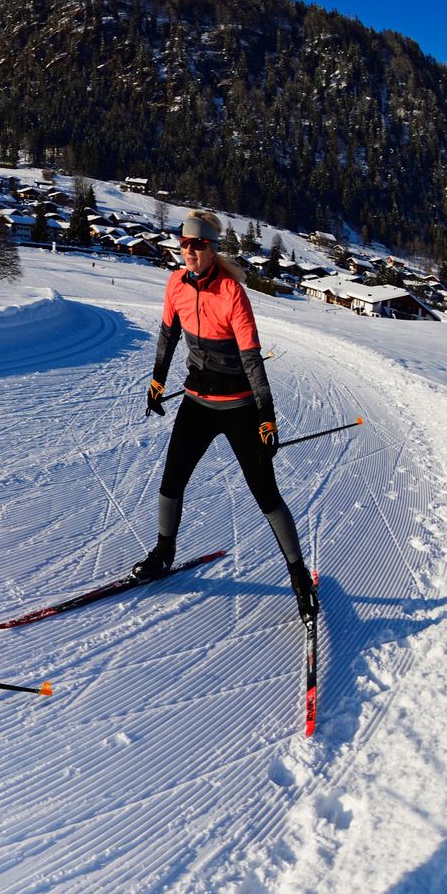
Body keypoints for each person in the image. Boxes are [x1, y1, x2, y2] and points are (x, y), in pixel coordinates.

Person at [133, 211, 318, 620]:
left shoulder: (232, 292)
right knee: (171, 482)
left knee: (265, 494)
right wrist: (157, 381)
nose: (189, 251)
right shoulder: (175, 284)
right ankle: (164, 553)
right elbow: (168, 335)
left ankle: (299, 578)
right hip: (197, 403)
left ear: (212, 248)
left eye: (198, 244)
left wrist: (266, 415)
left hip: (238, 407)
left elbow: (252, 358)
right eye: (184, 243)